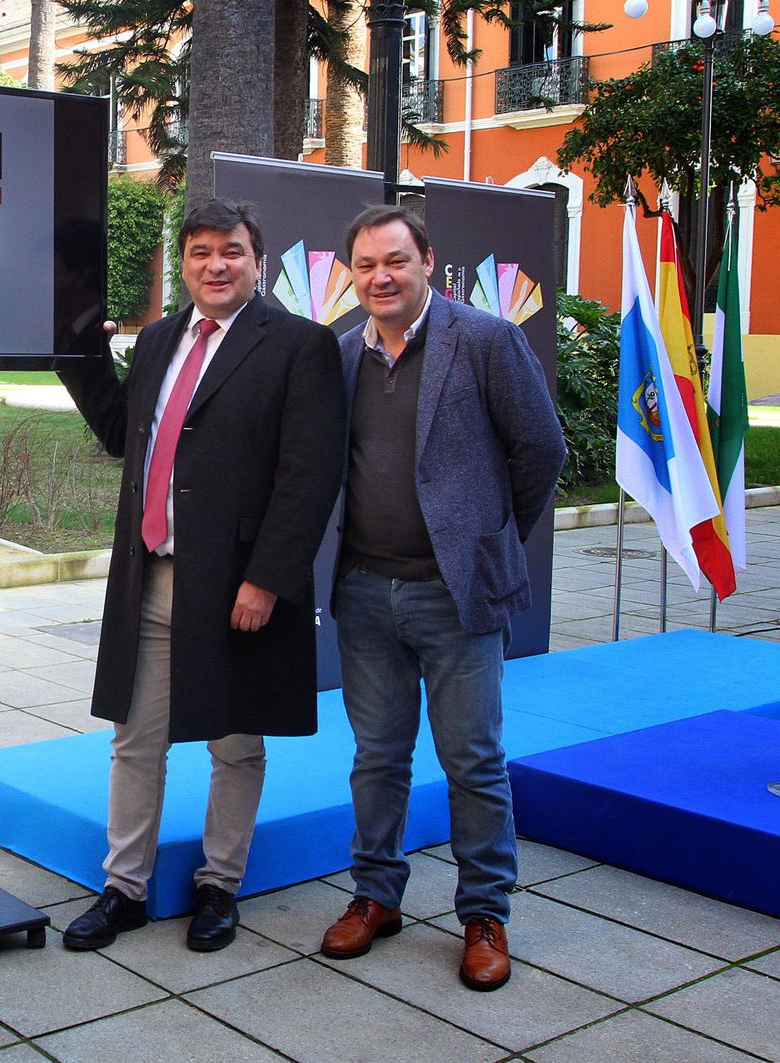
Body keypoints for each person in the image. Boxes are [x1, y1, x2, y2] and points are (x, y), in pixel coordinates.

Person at [56, 198, 346, 952]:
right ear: (183, 263)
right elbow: (124, 433)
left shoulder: (298, 345)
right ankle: (123, 887)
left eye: (232, 251)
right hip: (151, 577)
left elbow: (308, 475)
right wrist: (79, 351)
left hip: (239, 584)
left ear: (258, 260)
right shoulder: (157, 339)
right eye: (200, 252)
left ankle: (220, 884)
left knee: (237, 742)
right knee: (135, 737)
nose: (215, 265)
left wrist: (269, 579)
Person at [319, 205, 565, 991]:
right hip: (362, 592)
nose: (380, 277)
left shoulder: (487, 340)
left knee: (473, 760)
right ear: (351, 274)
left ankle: (485, 913)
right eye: (364, 265)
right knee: (377, 758)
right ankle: (376, 895)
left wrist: (485, 540)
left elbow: (541, 449)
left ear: (427, 260)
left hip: (455, 598)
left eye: (395, 260)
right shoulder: (340, 354)